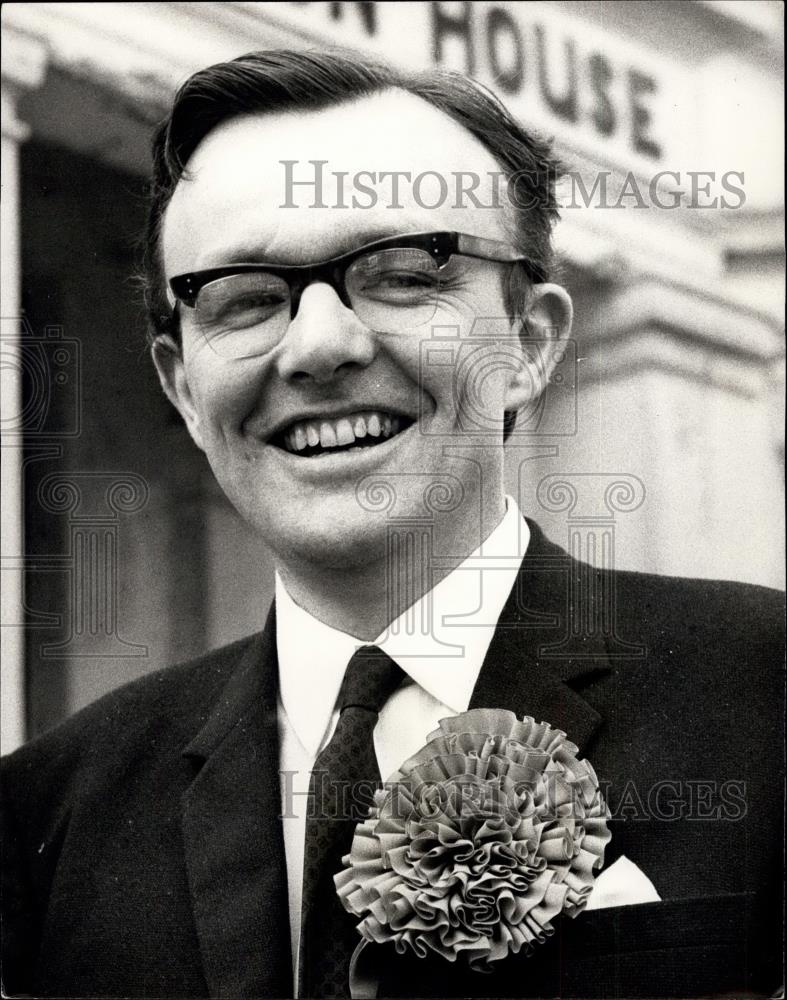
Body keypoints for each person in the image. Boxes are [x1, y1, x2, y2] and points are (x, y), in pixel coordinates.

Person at [1, 49, 783, 1000]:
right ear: (183, 388)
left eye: (406, 275)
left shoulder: (762, 691)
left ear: (529, 343)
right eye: (244, 299)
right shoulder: (49, 809)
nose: (321, 345)